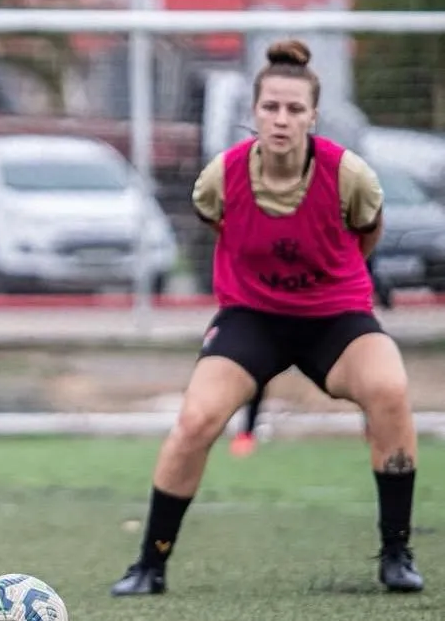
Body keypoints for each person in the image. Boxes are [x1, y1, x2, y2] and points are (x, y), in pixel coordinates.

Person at [110, 39, 423, 597]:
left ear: (312, 116)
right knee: (195, 421)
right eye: (271, 107)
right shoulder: (219, 178)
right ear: (253, 112)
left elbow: (366, 234)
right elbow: (218, 227)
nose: (282, 118)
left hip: (335, 319)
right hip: (252, 319)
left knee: (390, 389)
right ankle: (149, 565)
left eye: (294, 109)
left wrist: (336, 280)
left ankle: (397, 554)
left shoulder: (350, 175)